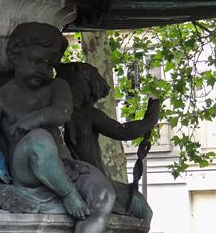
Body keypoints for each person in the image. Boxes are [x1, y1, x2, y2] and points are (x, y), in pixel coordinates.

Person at [0, 22, 115, 233]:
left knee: (105, 194)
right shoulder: (2, 97)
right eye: (37, 61)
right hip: (25, 168)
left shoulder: (57, 87)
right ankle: (69, 195)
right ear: (15, 57)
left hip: (64, 164)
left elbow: (63, 112)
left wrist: (32, 118)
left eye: (50, 64)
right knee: (38, 139)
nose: (44, 70)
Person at [55, 62, 160, 224]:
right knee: (143, 210)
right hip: (95, 181)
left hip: (76, 178)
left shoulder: (55, 114)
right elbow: (122, 131)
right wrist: (149, 121)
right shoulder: (88, 114)